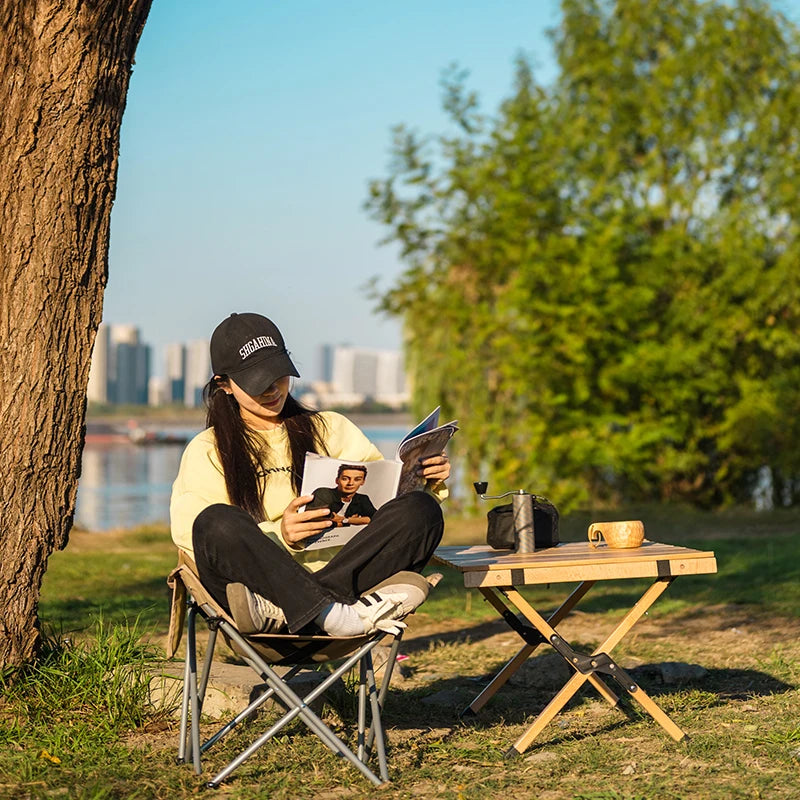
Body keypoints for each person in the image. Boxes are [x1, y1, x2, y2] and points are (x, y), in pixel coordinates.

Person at [170, 312, 450, 637]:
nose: (272, 389)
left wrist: (423, 478)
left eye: (278, 375)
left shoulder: (331, 428)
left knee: (421, 510)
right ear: (225, 385)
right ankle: (333, 612)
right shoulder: (208, 449)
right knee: (215, 522)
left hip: (334, 582)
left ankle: (317, 610)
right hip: (256, 593)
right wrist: (281, 535)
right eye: (256, 382)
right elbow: (192, 537)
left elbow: (384, 501)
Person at [307, 464, 377, 529]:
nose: (350, 483)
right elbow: (317, 520)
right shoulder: (323, 493)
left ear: (363, 482)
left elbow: (375, 518)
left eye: (357, 479)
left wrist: (345, 520)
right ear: (337, 480)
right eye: (345, 479)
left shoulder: (362, 499)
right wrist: (353, 522)